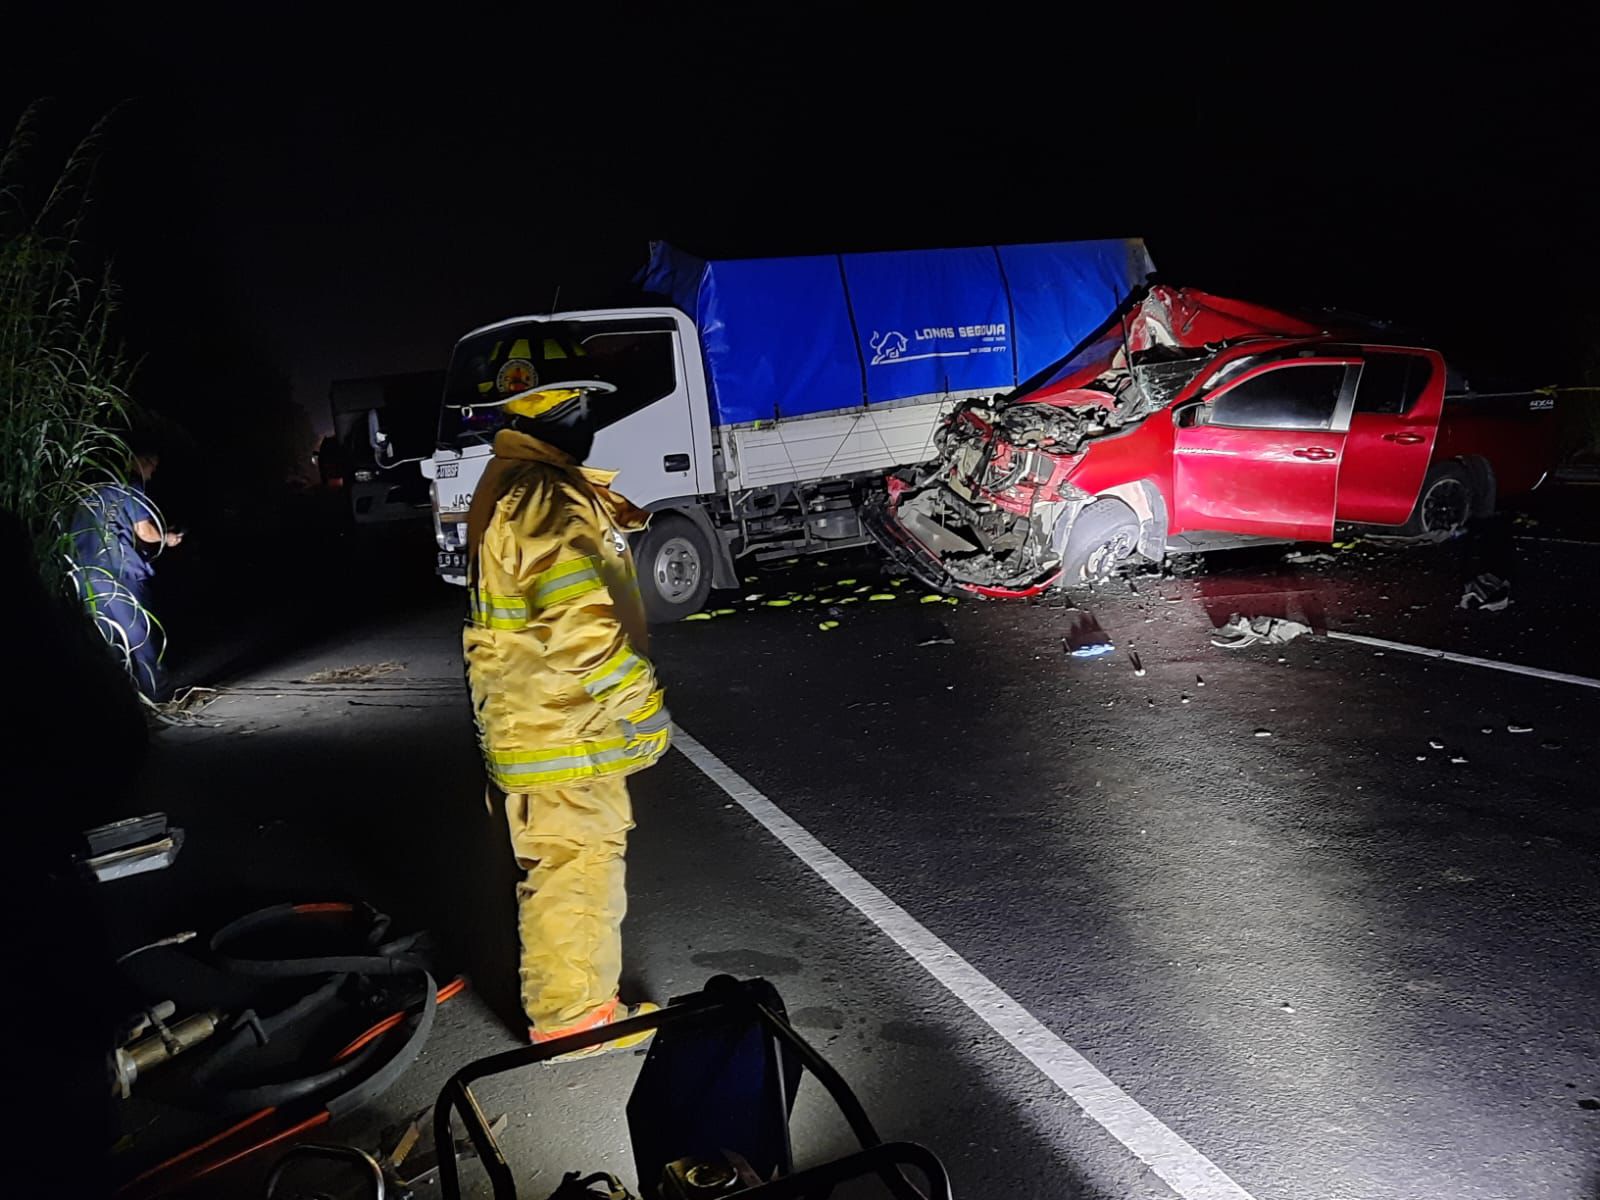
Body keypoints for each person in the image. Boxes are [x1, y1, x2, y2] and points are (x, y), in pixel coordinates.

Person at [462, 355, 670, 1052]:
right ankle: (575, 1023)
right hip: (561, 725)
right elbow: (581, 622)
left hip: (538, 717)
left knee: (564, 866)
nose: (591, 421)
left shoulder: (523, 483)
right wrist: (641, 706)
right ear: (559, 410)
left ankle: (577, 1008)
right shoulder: (544, 493)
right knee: (574, 870)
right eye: (583, 406)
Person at [70, 440, 182, 701]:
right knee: (138, 631)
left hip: (85, 572)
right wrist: (167, 537)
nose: (151, 472)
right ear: (135, 460)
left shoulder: (91, 489)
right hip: (119, 570)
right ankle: (156, 693)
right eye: (151, 465)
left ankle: (121, 700)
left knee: (108, 639)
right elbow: (144, 531)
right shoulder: (129, 487)